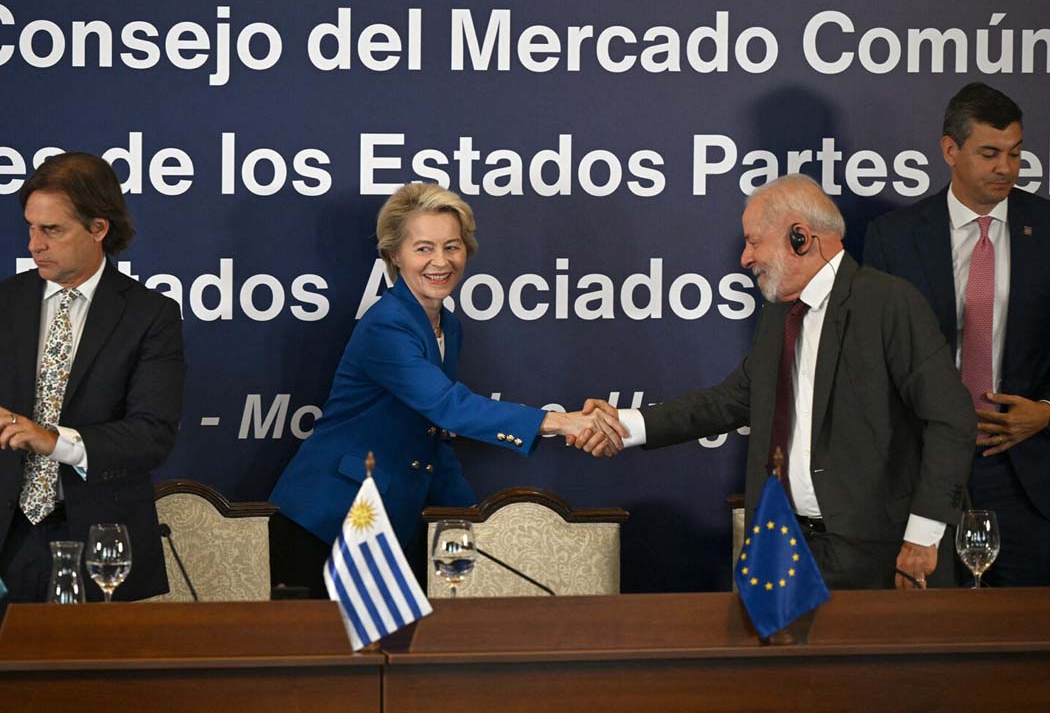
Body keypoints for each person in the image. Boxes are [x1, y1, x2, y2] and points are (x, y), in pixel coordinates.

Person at [577, 174, 975, 590]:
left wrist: (923, 536)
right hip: (787, 550)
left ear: (800, 238)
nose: (745, 258)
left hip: (882, 556)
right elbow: (731, 400)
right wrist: (624, 426)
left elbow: (952, 420)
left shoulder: (888, 302)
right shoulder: (778, 316)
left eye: (753, 241)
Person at [269, 183, 622, 595]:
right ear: (394, 255)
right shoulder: (387, 324)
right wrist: (560, 422)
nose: (441, 261)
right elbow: (447, 407)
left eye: (452, 246)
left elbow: (432, 439)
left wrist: (471, 519)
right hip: (327, 520)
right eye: (423, 248)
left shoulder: (446, 325)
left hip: (383, 520)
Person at [864, 83, 1050, 586]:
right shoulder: (894, 237)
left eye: (1014, 153)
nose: (1006, 168)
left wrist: (1048, 412)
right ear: (950, 150)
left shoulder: (1047, 228)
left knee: (1024, 643)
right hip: (925, 473)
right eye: (989, 154)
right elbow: (872, 359)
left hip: (1026, 473)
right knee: (934, 641)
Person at [0, 152, 185, 603]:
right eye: (30, 227)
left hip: (101, 542)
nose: (34, 245)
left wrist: (53, 440)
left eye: (52, 230)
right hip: (9, 535)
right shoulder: (5, 302)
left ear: (98, 229)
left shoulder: (151, 315)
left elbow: (152, 435)